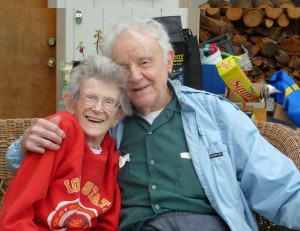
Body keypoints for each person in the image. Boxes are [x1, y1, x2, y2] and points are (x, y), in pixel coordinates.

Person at [5, 16, 300, 231]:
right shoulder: (105, 119)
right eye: (123, 67)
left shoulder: (214, 114)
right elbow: (42, 155)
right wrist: (25, 144)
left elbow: (279, 185)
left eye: (145, 62)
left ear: (169, 61)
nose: (134, 76)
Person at [1, 55, 132, 230]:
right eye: (90, 97)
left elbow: (107, 223)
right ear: (70, 103)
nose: (98, 108)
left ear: (117, 116)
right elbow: (16, 214)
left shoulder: (112, 157)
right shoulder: (59, 132)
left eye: (109, 102)